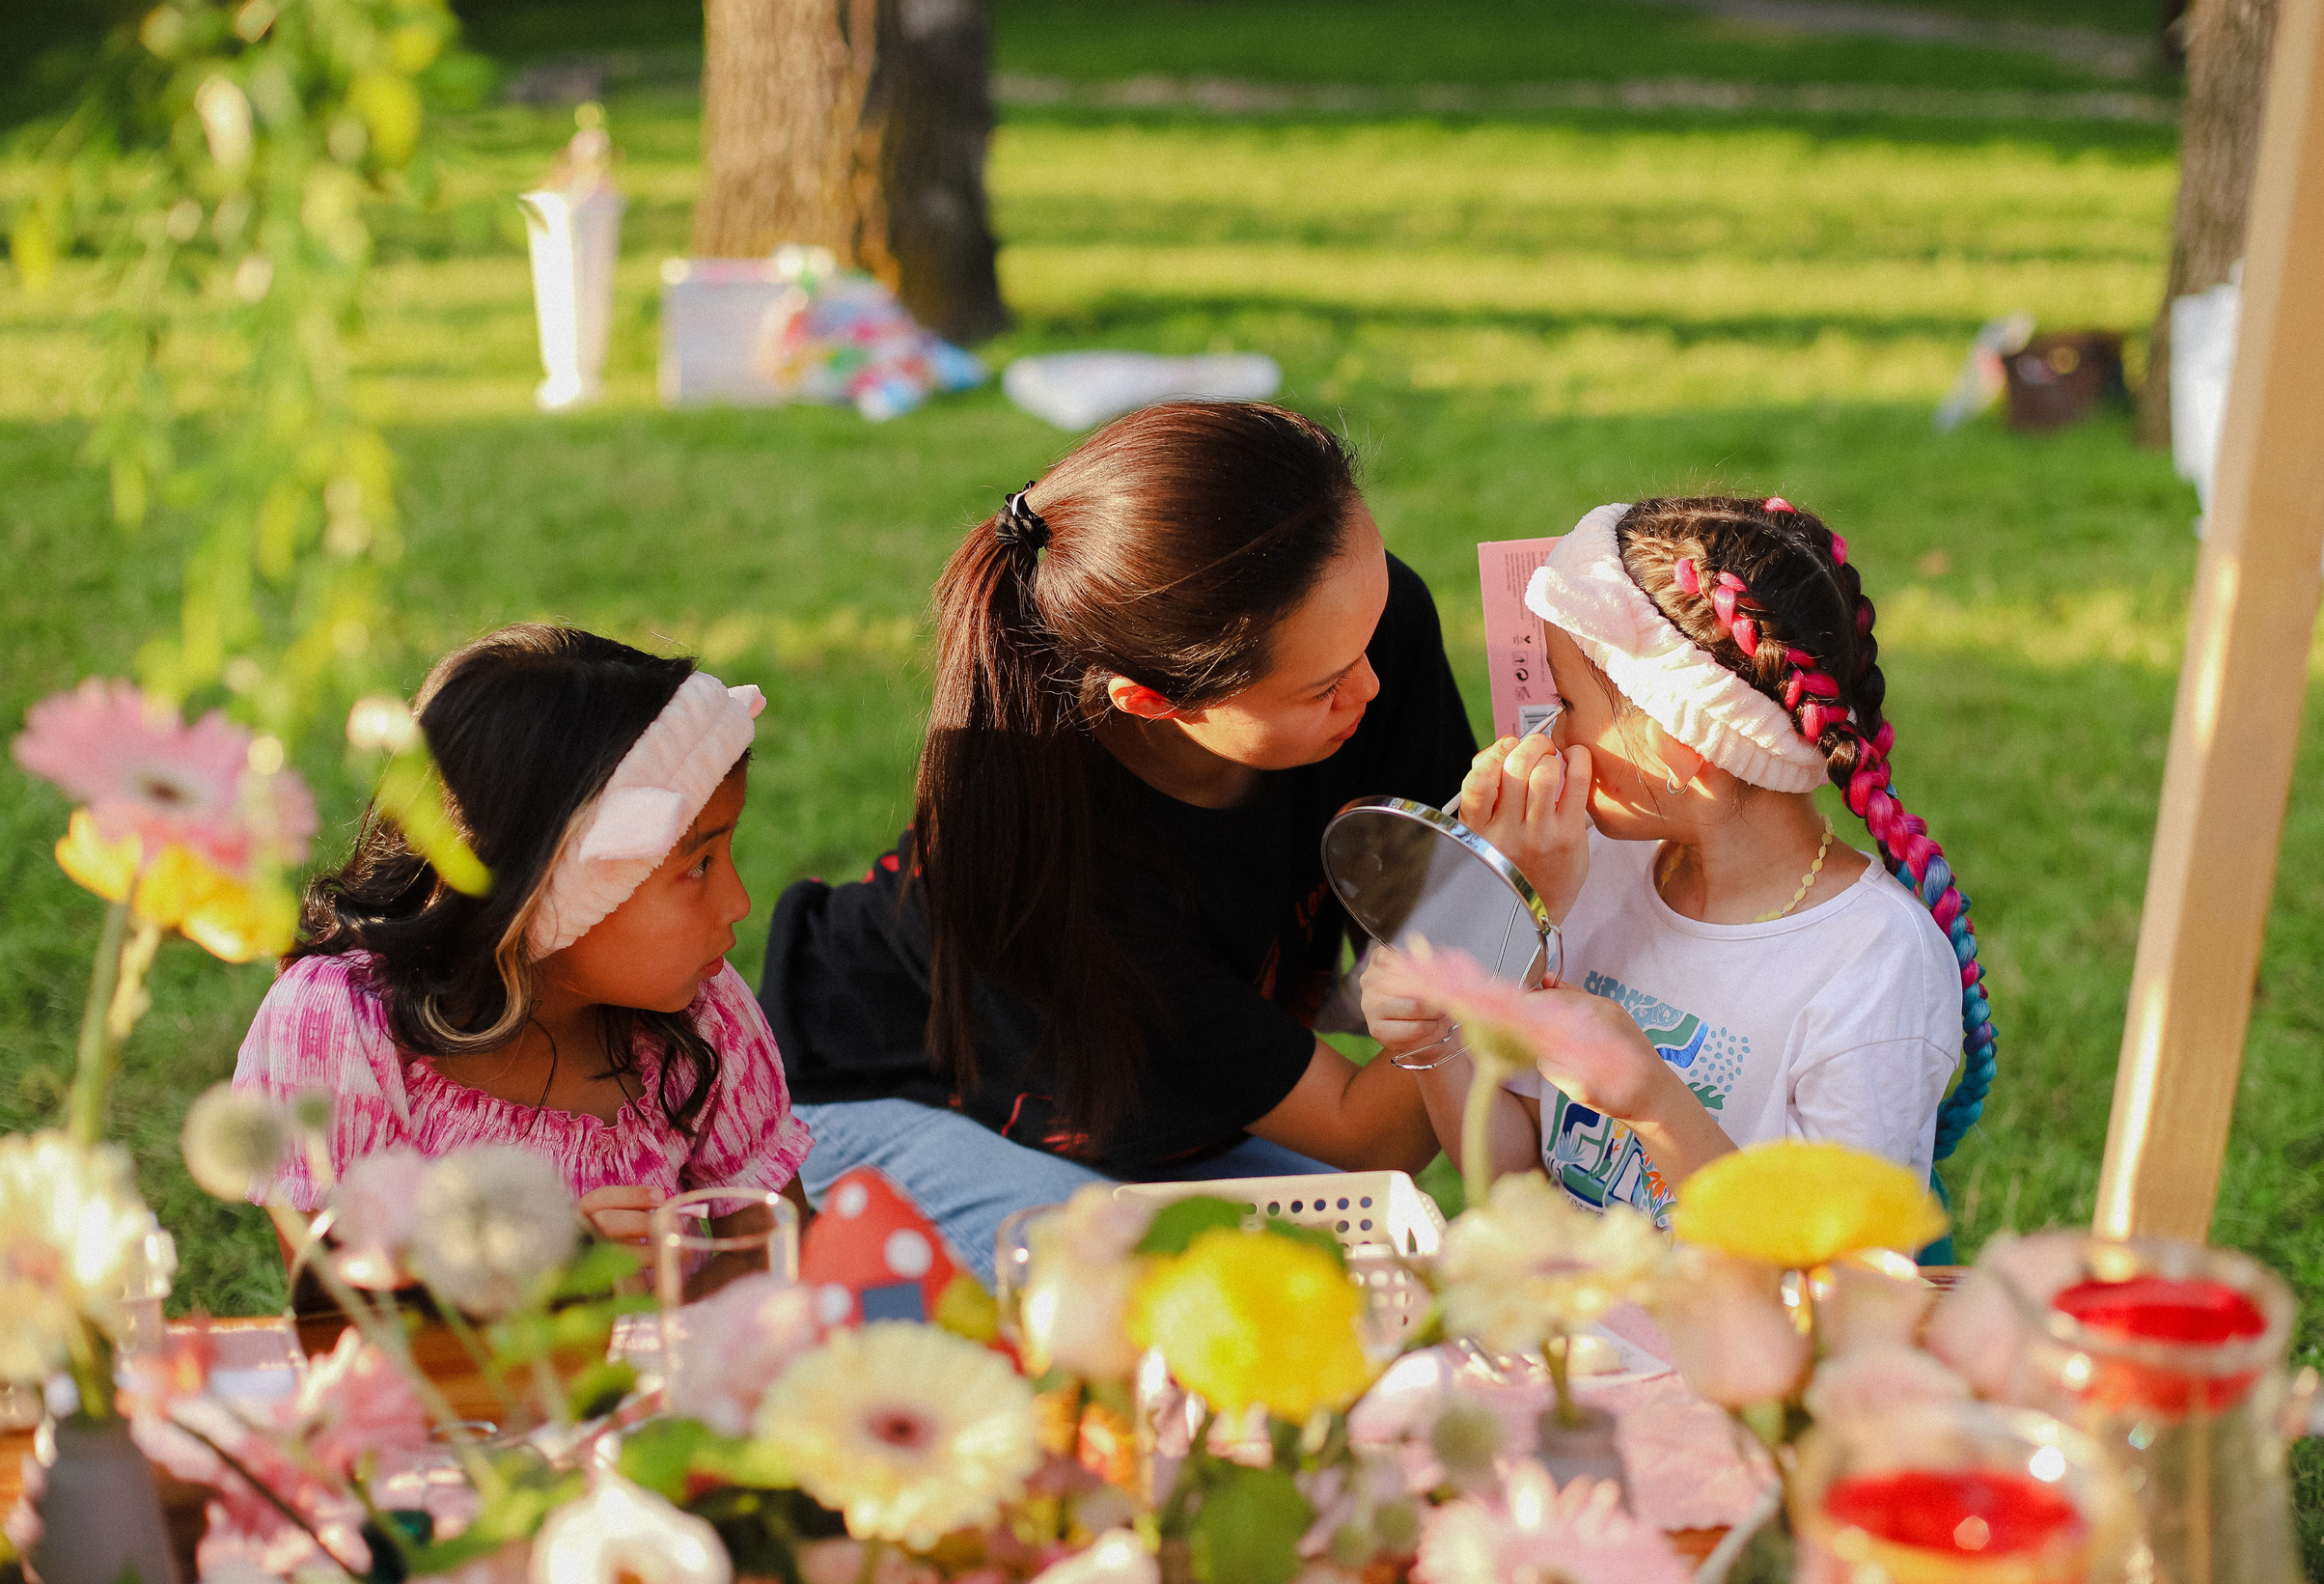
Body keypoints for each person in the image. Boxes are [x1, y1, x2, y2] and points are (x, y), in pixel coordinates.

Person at [761, 402, 1480, 1275]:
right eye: (1323, 685)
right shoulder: (1060, 878)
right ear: (1152, 699)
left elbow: (1427, 922)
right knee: (1145, 1312)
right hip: (873, 1099)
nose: (1370, 684)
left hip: (1136, 1109)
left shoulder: (1362, 620)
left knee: (1378, 1278)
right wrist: (1512, 913)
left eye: (1371, 632)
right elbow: (1370, 1139)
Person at [1361, 496, 1992, 1259]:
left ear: (1680, 736)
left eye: (1567, 703)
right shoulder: (1595, 872)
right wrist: (1439, 1037)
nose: (1549, 732)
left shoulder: (1874, 963)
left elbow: (1839, 1269)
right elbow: (1514, 1173)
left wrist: (1649, 1098)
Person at [233, 625, 814, 1279]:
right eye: (699, 864)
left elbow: (781, 1257)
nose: (739, 900)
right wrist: (552, 1274)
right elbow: (343, 1311)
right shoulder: (339, 1025)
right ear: (554, 889)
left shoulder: (700, 1013)